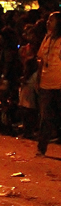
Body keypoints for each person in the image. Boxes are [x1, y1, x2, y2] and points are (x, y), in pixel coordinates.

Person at [36, 11, 61, 156]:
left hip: (59, 84)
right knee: (45, 117)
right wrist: (39, 79)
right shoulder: (47, 38)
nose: (48, 22)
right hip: (46, 84)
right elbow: (40, 60)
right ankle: (41, 147)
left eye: (51, 20)